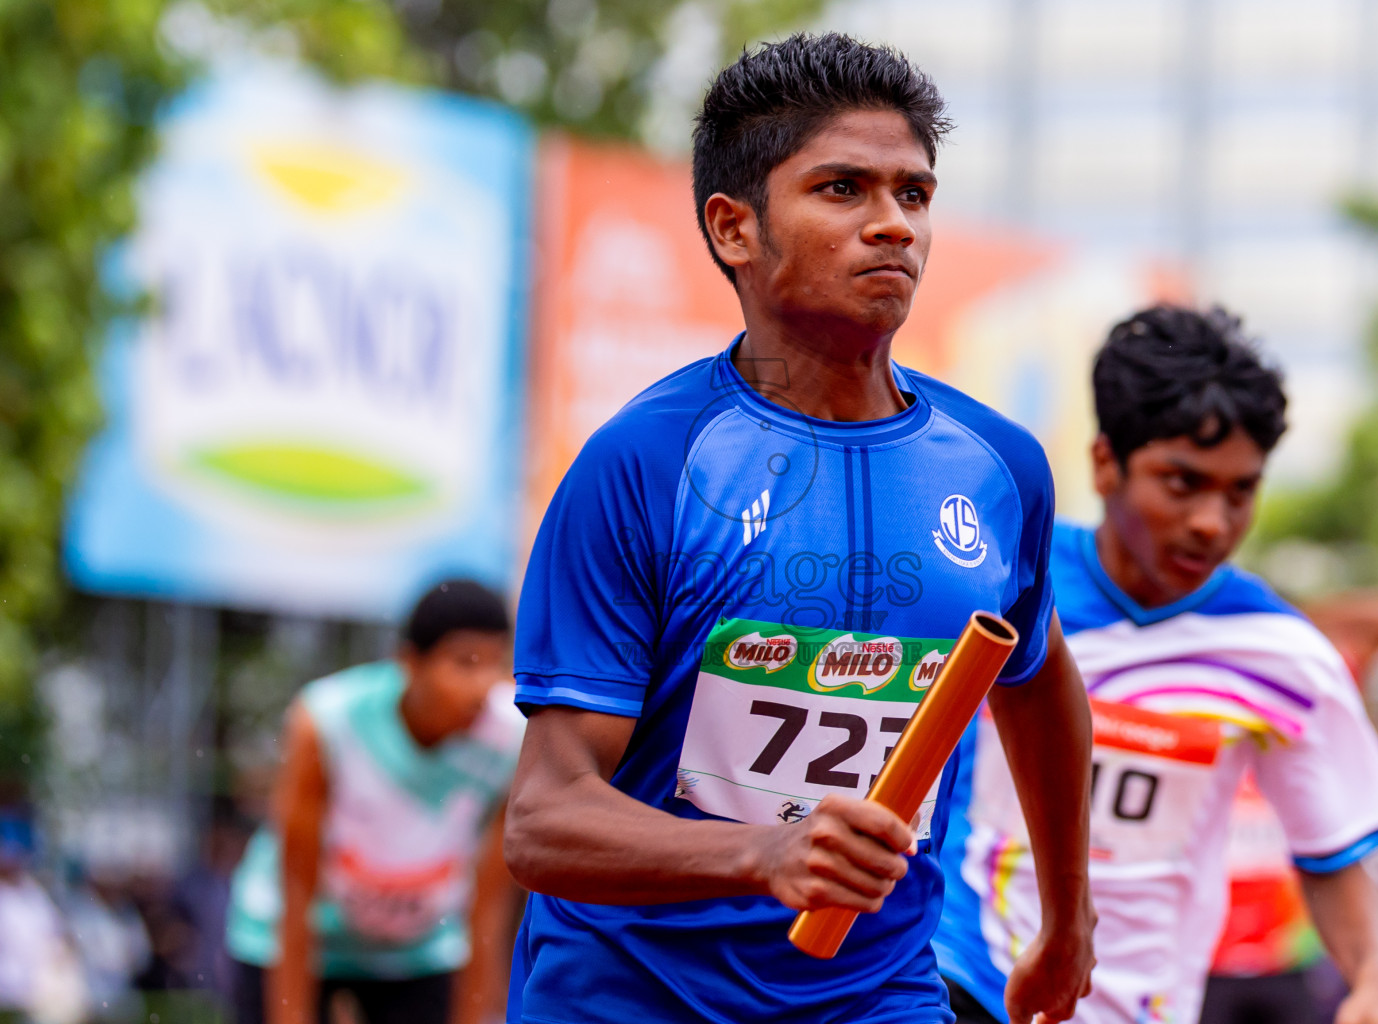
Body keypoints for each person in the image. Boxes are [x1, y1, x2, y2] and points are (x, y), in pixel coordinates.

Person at [503, 32, 1095, 1024]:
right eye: (843, 190)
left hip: (876, 995)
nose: (892, 225)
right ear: (735, 228)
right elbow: (544, 815)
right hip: (629, 996)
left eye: (914, 194)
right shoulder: (645, 462)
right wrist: (763, 851)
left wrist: (1069, 918)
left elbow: (1039, 691)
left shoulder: (1000, 468)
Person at [934, 305, 1378, 1024]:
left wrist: (1374, 982)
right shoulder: (1004, 582)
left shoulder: (1279, 654)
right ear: (1105, 464)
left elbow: (1332, 852)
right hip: (967, 978)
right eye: (1182, 482)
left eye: (1240, 490)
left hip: (1145, 1004)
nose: (1211, 521)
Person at [225, 580, 524, 1024]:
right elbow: (297, 891)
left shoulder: (510, 738)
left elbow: (488, 908)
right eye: (465, 663)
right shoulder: (327, 723)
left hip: (416, 949)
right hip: (300, 934)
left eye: (495, 663)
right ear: (408, 662)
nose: (483, 685)